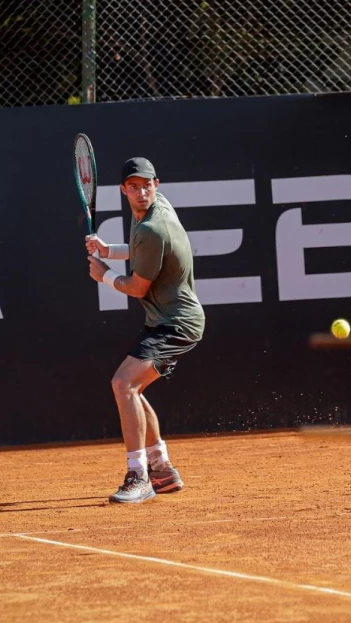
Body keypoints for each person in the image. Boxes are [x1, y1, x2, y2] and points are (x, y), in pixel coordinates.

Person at [85, 157, 205, 504]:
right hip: (164, 320)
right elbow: (146, 252)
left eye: (147, 185)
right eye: (134, 186)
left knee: (123, 384)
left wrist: (104, 274)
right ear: (124, 189)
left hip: (176, 323)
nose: (142, 192)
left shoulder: (152, 226)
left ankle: (139, 477)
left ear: (157, 184)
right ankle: (162, 470)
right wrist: (110, 250)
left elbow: (138, 287)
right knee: (131, 389)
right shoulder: (151, 217)